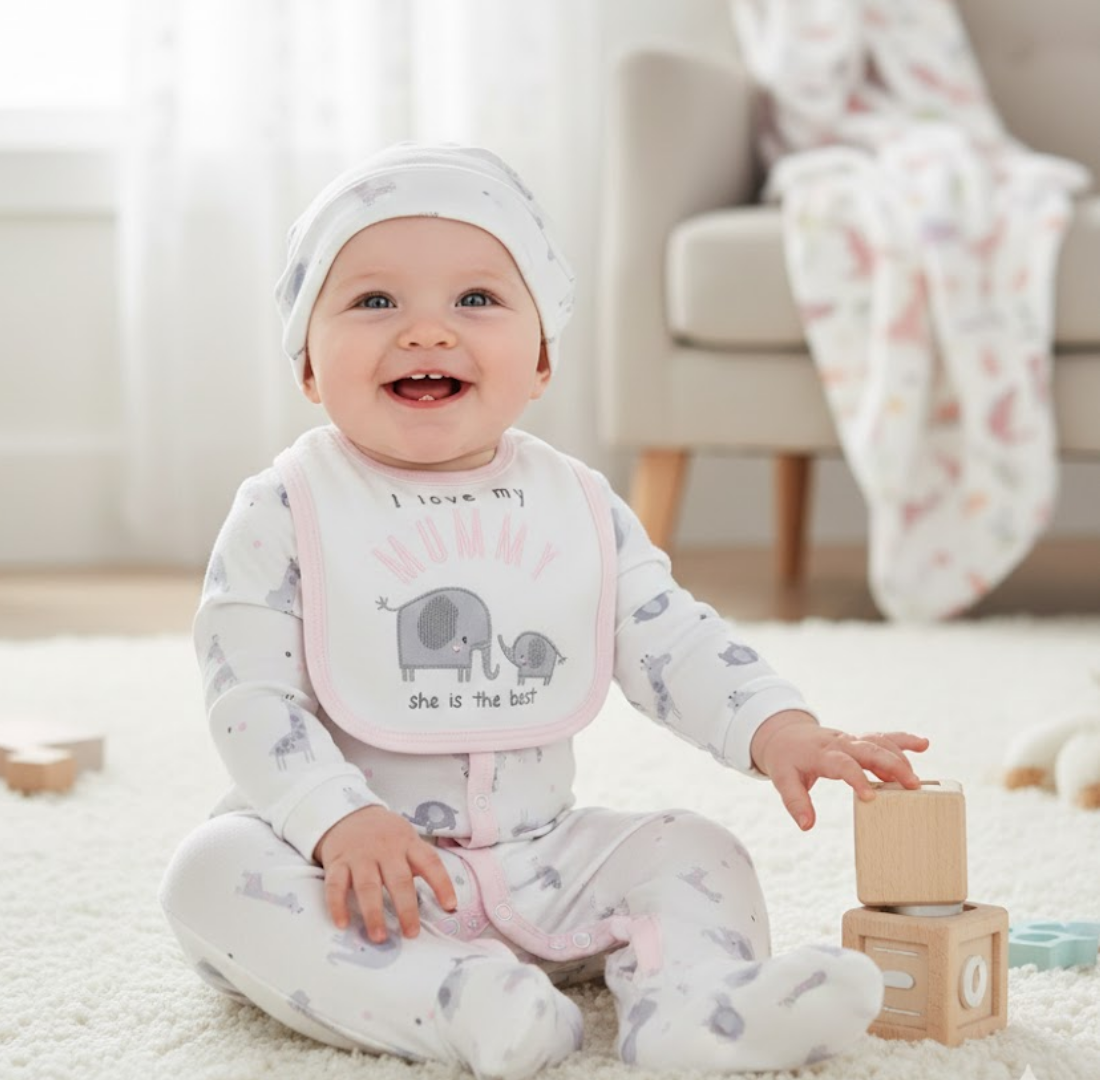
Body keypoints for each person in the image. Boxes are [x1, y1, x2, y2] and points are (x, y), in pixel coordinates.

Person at [159, 143, 929, 1077]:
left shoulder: (577, 504)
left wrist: (777, 725)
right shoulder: (284, 509)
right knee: (210, 876)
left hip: (547, 858)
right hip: (357, 874)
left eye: (476, 300)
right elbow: (249, 695)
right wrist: (333, 819)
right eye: (373, 301)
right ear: (308, 367)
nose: (426, 332)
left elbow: (668, 637)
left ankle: (697, 1010)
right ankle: (453, 1002)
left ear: (542, 360)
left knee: (698, 848)